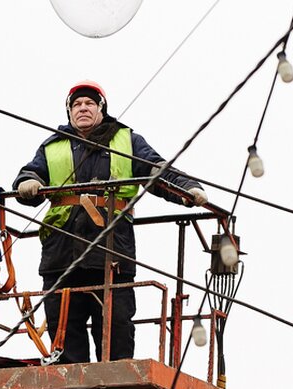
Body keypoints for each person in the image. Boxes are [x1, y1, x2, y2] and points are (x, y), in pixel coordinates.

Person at [13, 80, 207, 364]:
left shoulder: (126, 141)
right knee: (64, 324)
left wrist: (186, 189)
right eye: (76, 104)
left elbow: (156, 170)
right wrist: (27, 183)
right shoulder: (53, 146)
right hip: (62, 251)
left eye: (89, 103)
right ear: (68, 112)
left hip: (112, 249)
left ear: (102, 108)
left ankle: (115, 377)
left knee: (116, 323)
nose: (83, 108)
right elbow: (31, 174)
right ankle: (72, 379)